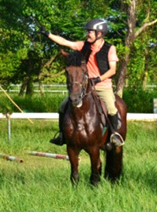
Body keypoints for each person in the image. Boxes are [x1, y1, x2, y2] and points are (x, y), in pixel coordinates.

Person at [40, 19, 124, 148]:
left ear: (99, 33)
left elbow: (112, 70)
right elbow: (64, 42)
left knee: (112, 108)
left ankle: (114, 135)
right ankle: (62, 135)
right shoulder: (83, 45)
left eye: (90, 31)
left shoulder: (110, 48)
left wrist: (97, 79)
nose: (87, 34)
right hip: (85, 87)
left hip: (102, 86)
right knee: (63, 106)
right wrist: (48, 34)